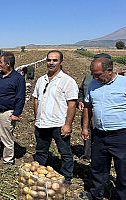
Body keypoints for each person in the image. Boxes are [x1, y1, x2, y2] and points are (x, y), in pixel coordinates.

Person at [79, 57, 126, 200]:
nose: (95, 77)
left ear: (109, 70)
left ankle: (121, 196)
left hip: (121, 135)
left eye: (98, 74)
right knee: (98, 167)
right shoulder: (93, 84)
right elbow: (88, 106)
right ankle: (97, 193)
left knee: (123, 169)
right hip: (99, 134)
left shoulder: (124, 83)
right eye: (93, 74)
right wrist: (85, 127)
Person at [32, 50, 78, 186]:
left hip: (59, 124)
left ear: (61, 62)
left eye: (55, 60)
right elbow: (35, 100)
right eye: (49, 60)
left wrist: (68, 124)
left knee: (65, 152)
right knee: (40, 150)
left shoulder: (67, 81)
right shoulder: (41, 80)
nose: (51, 63)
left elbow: (72, 104)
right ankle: (38, 174)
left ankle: (67, 176)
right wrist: (37, 118)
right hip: (42, 123)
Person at [0, 52, 26, 166]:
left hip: (6, 113)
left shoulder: (18, 79)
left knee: (6, 137)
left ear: (8, 64)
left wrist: (16, 114)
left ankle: (8, 159)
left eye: (0, 62)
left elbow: (20, 97)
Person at [77, 53, 112, 160]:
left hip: (105, 113)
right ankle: (87, 154)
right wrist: (80, 100)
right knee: (87, 130)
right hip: (88, 109)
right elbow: (81, 90)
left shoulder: (119, 80)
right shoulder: (88, 77)